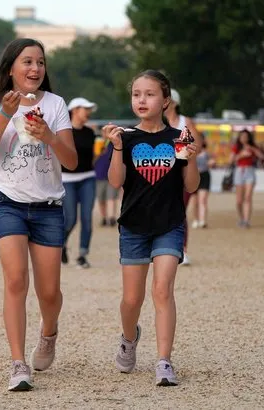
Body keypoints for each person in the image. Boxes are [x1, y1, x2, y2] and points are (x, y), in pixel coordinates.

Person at [0, 38, 77, 391]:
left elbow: (73, 160)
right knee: (16, 280)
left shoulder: (55, 104)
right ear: (11, 68)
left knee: (50, 293)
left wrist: (48, 135)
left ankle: (48, 332)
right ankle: (18, 364)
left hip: (48, 207)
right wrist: (5, 113)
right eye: (27, 62)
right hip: (8, 203)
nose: (35, 69)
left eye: (40, 63)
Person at [104, 70, 199, 387]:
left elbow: (192, 186)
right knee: (132, 299)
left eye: (149, 94)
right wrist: (117, 148)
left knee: (163, 291)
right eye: (136, 94)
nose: (142, 100)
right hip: (133, 227)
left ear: (165, 100)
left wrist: (192, 158)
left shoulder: (178, 138)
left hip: (169, 225)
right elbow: (115, 182)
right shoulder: (126, 138)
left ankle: (164, 361)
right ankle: (129, 338)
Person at [164, 89, 201, 266]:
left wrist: (181, 149)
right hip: (161, 173)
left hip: (181, 173)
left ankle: (182, 249)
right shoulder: (156, 122)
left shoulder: (184, 122)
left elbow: (196, 146)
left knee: (180, 212)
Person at [61, 97, 98, 269]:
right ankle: (60, 244)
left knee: (87, 218)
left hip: (87, 177)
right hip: (66, 180)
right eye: (86, 109)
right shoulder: (62, 132)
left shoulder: (90, 133)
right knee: (70, 219)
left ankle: (82, 255)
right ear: (75, 110)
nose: (88, 112)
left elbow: (93, 157)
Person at [230, 129, 264, 228]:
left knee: (248, 197)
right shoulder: (237, 147)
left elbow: (262, 156)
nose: (244, 138)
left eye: (246, 136)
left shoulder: (253, 147)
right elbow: (231, 160)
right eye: (242, 136)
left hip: (250, 171)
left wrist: (252, 149)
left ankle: (246, 220)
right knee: (239, 200)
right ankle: (241, 218)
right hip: (239, 171)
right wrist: (241, 155)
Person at [94, 132, 119, 227]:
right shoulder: (97, 142)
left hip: (112, 175)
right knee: (101, 198)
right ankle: (104, 217)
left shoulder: (115, 143)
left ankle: (112, 217)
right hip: (99, 174)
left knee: (111, 197)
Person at [191, 140, 215, 228]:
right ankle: (196, 219)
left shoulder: (206, 154)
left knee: (203, 199)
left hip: (204, 176)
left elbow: (212, 162)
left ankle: (202, 220)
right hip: (194, 177)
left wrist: (211, 163)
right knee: (195, 201)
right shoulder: (190, 152)